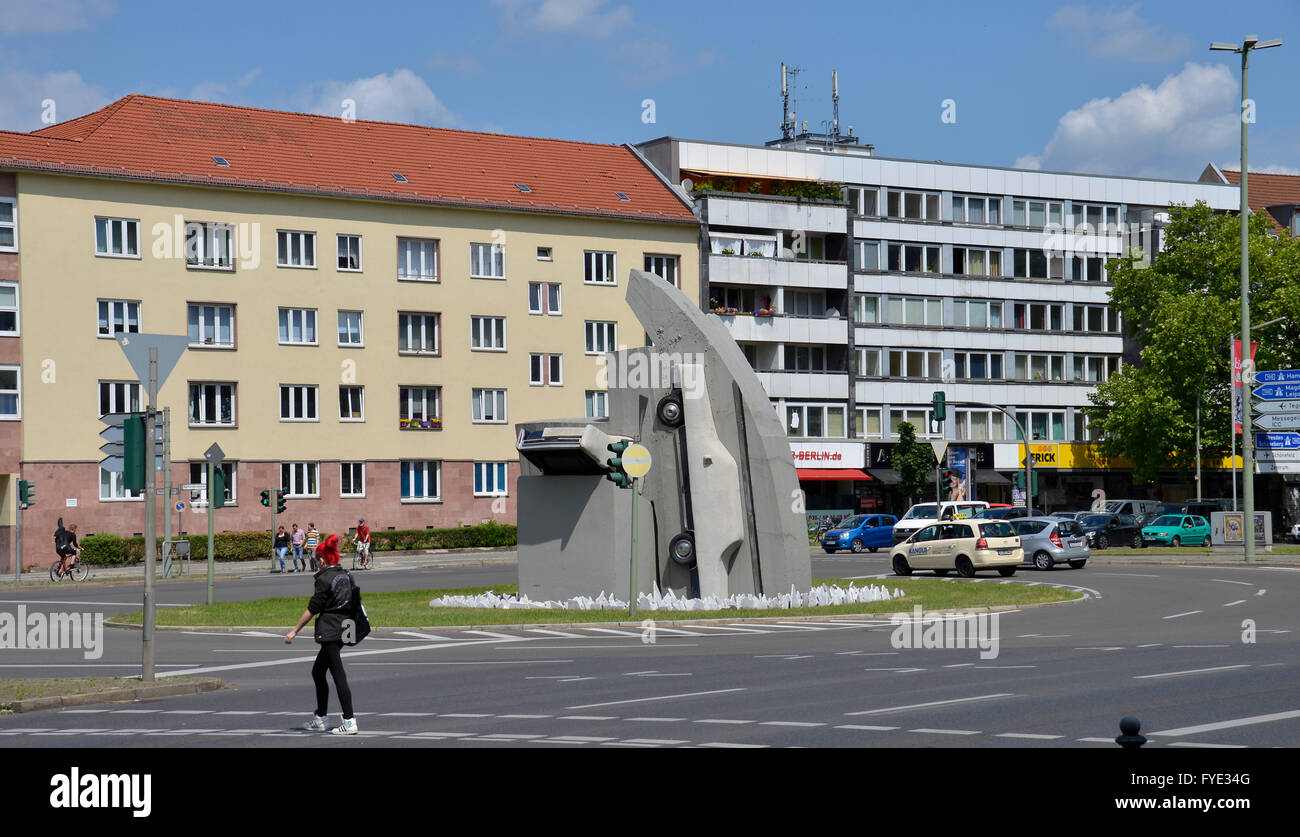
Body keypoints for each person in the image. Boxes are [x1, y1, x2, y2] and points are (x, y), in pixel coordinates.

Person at [285, 534, 357, 735]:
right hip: (345, 628)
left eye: (317, 560)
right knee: (318, 672)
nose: (316, 563)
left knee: (337, 673)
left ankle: (350, 721)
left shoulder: (324, 579)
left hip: (330, 629)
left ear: (323, 560)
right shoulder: (345, 575)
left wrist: (294, 631)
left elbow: (312, 609)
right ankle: (322, 717)